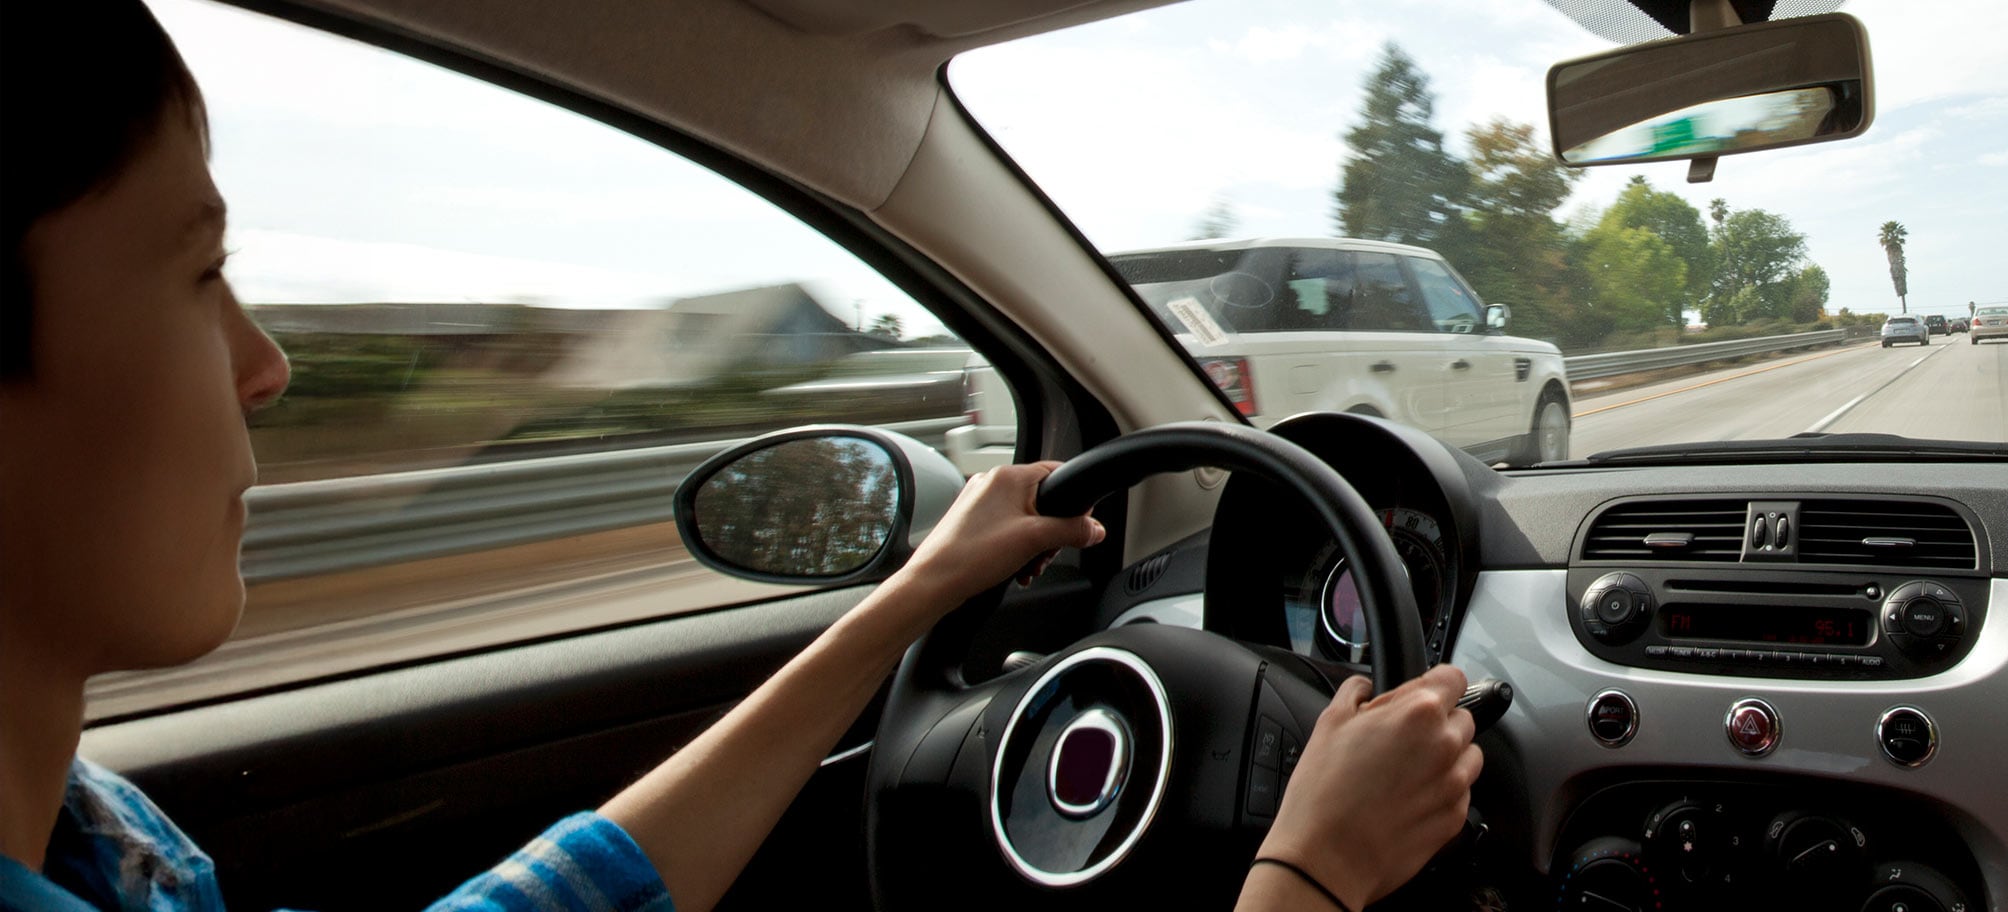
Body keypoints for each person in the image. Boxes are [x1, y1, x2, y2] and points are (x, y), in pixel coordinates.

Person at [0, 4, 1480, 910]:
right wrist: (1310, 875)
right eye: (200, 274)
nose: (268, 366)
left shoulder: (100, 834)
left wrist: (912, 599)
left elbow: (552, 903)